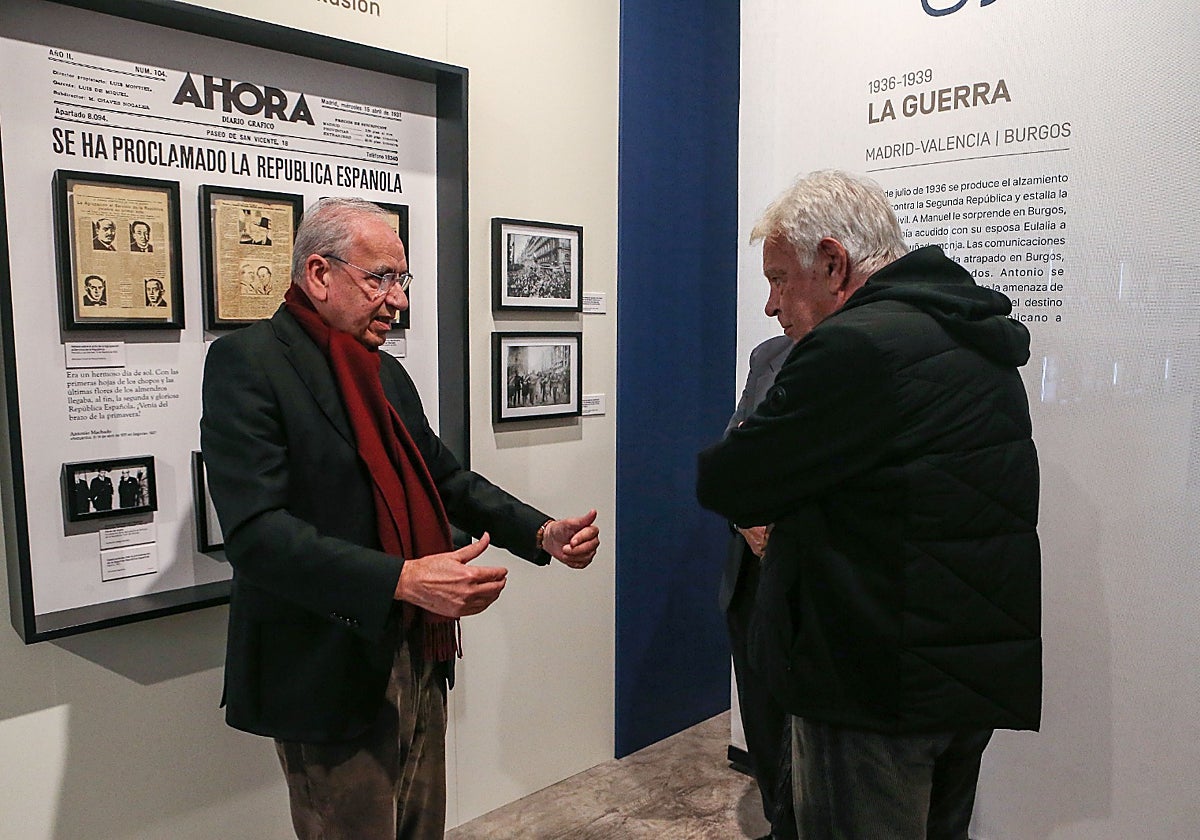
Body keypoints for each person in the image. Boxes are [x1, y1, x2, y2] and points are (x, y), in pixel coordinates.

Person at [200, 197, 600, 840]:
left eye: (401, 280)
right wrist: (401, 579)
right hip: (326, 665)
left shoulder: (385, 373)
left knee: (420, 829)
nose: (398, 300)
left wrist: (540, 531)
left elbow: (446, 480)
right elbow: (256, 534)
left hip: (416, 648)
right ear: (319, 273)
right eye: (380, 278)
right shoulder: (249, 364)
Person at [696, 170, 1041, 840]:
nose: (771, 306)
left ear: (832, 262)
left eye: (778, 278)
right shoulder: (974, 336)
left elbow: (728, 481)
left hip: (871, 684)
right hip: (962, 676)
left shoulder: (855, 344)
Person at [720, 332, 797, 840]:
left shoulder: (865, 355)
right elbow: (731, 453)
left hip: (810, 579)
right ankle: (779, 822)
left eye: (782, 279)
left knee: (813, 735)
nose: (772, 302)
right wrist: (745, 515)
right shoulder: (767, 355)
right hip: (750, 575)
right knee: (764, 718)